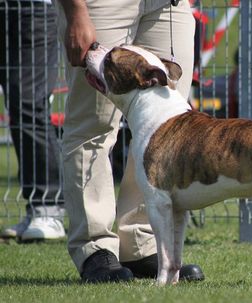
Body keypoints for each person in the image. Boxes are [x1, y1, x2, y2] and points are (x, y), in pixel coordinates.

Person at [54, 0, 204, 283]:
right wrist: (76, 13)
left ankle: (140, 243)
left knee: (165, 128)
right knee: (93, 126)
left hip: (168, 6)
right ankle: (94, 247)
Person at [0, 0, 66, 241]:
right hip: (8, 9)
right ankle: (35, 208)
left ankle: (49, 208)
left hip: (34, 9)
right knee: (17, 107)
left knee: (30, 104)